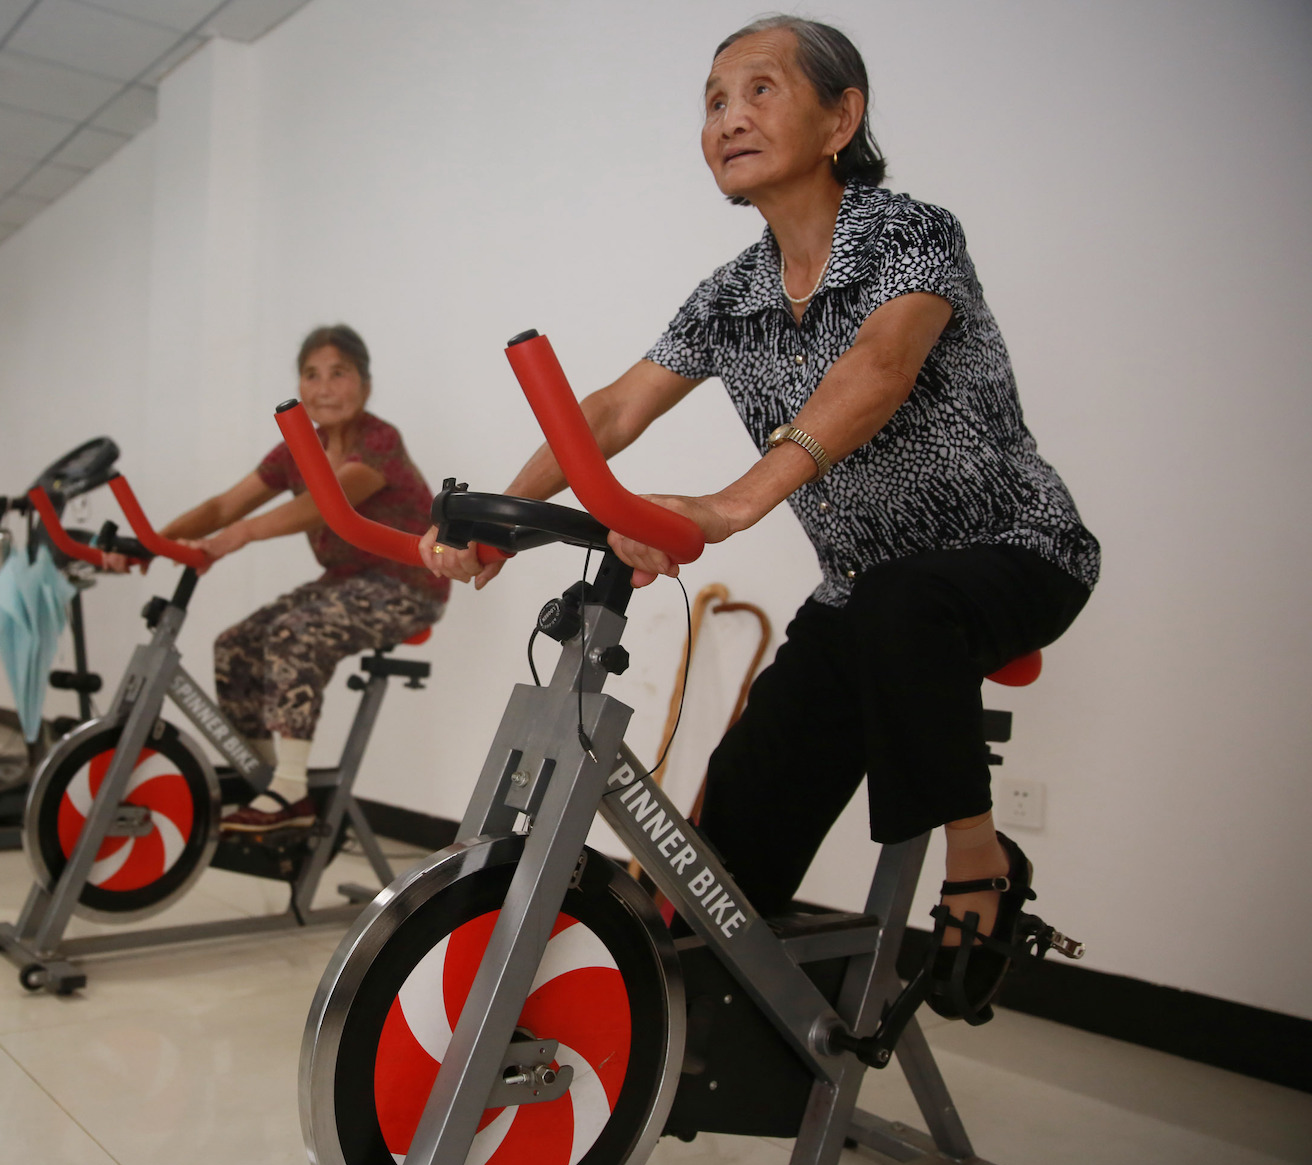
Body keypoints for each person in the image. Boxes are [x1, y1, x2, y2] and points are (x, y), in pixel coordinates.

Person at [423, 17, 1098, 1021]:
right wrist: (510, 521)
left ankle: (980, 865)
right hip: (861, 592)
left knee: (906, 608)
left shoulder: (911, 233)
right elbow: (609, 411)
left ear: (841, 118)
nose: (728, 117)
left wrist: (735, 500)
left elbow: (880, 367)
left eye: (760, 90)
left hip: (1012, 550)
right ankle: (723, 1038)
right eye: (712, 101)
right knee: (729, 845)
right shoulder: (729, 294)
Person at [109, 325, 448, 832]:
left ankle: (289, 791)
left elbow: (327, 505)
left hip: (407, 585)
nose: (324, 387)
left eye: (339, 373)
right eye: (311, 375)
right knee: (235, 645)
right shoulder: (296, 450)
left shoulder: (380, 441)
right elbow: (225, 504)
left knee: (294, 633)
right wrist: (153, 542)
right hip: (343, 579)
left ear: (366, 385)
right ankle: (270, 780)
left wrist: (239, 536)